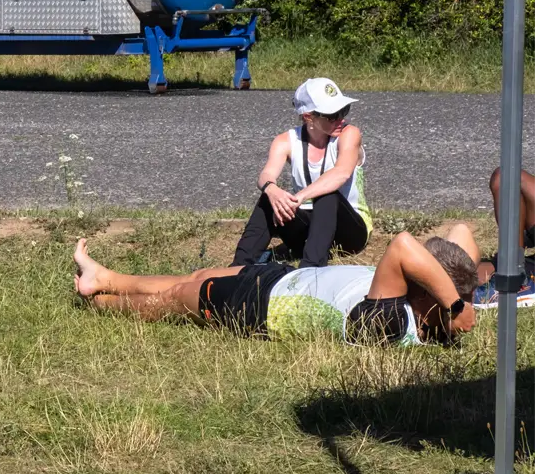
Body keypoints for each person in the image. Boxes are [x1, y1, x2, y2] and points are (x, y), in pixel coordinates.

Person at [73, 226, 480, 345]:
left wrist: (458, 308)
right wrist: (462, 301)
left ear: (431, 296)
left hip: (263, 307)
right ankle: (104, 278)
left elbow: (403, 245)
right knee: (195, 278)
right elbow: (463, 231)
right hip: (287, 278)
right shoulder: (425, 305)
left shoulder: (388, 321)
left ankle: (102, 304)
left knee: (180, 300)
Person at [231, 77, 371, 269]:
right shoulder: (285, 141)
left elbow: (341, 174)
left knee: (327, 194)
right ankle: (238, 268)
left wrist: (300, 196)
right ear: (308, 117)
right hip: (308, 232)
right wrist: (272, 191)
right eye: (333, 115)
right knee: (269, 199)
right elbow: (266, 175)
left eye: (343, 111)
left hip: (350, 233)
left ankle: (309, 269)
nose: (341, 119)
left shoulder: (350, 134)